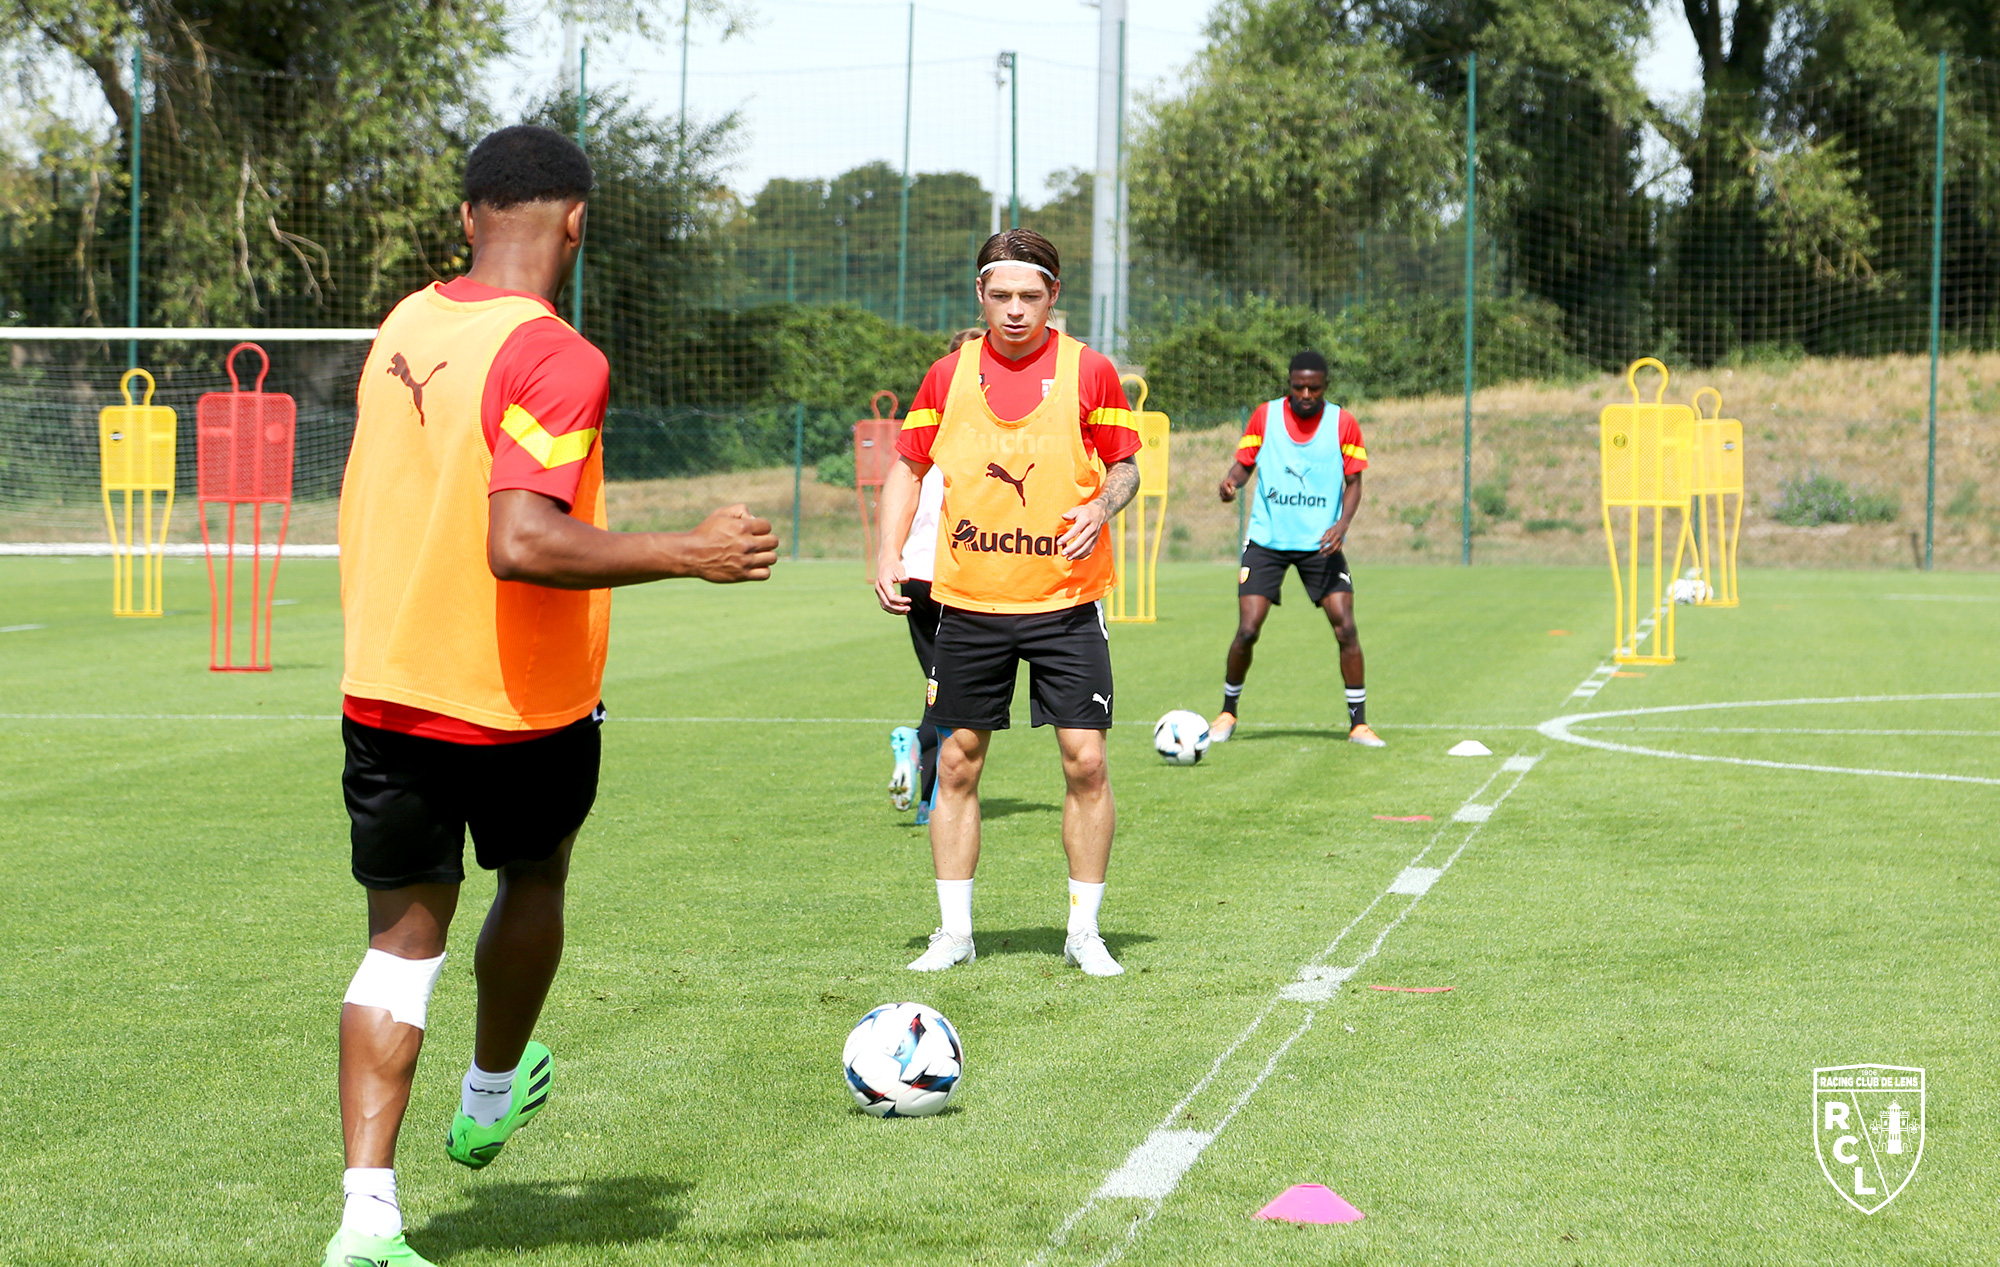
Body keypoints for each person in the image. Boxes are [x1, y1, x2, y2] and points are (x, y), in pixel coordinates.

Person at [326, 125, 778, 1267]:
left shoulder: (407, 323)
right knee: (534, 872)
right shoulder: (556, 354)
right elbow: (518, 541)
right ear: (577, 221)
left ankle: (365, 1222)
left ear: (467, 217)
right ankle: (488, 1091)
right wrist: (690, 551)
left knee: (396, 948)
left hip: (386, 687)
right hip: (519, 702)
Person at [874, 230, 1141, 978]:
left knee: (1086, 762)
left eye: (1031, 296)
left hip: (1065, 602)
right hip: (969, 602)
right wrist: (888, 551)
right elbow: (907, 465)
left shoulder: (1090, 371)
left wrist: (1102, 509)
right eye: (1001, 296)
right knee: (956, 764)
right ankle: (955, 932)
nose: (1016, 311)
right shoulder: (946, 375)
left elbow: (1125, 467)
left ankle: (1083, 932)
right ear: (980, 297)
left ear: (1055, 296)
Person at [1210, 350, 1381, 747]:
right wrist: (1230, 482)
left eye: (1314, 387)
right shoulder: (1264, 416)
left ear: (1325, 386)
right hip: (1267, 540)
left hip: (1320, 543)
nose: (1305, 394)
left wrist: (1342, 525)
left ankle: (1359, 724)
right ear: (1289, 384)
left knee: (1346, 626)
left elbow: (1354, 482)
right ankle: (1226, 713)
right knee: (1248, 629)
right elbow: (1244, 464)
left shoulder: (1343, 422)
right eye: (1298, 386)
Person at [888, 328, 983, 825]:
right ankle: (917, 753)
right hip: (959, 577)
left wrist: (890, 558)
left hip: (914, 574)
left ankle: (927, 797)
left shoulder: (924, 428)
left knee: (939, 685)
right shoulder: (983, 433)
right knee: (957, 697)